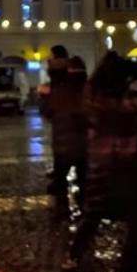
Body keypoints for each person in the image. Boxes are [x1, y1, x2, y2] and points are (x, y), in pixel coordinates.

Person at [62, 53, 137, 272]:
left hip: (99, 162)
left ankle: (70, 265)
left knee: (92, 217)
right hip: (122, 163)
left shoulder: (93, 92)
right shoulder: (122, 97)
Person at [41, 56, 88, 213]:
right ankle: (84, 208)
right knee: (83, 179)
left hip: (62, 145)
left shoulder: (59, 93)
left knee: (60, 179)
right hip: (84, 144)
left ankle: (62, 208)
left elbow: (47, 111)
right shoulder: (88, 91)